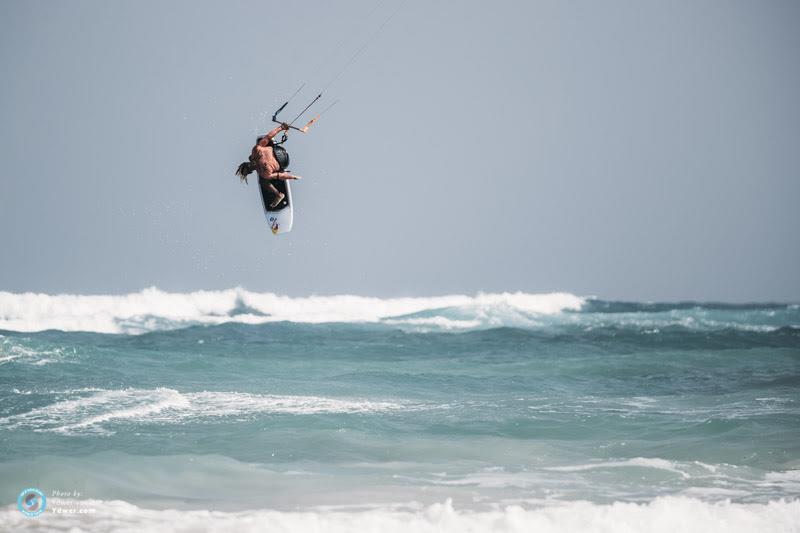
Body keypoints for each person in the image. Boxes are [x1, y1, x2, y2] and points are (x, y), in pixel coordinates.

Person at [235, 123, 301, 208]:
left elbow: (268, 137)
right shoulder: (260, 163)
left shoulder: (258, 156)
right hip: (282, 156)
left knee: (263, 181)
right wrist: (292, 177)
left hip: (282, 156)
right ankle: (279, 195)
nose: (250, 166)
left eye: (248, 167)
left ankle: (278, 194)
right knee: (263, 179)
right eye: (249, 168)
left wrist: (280, 128)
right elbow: (279, 175)